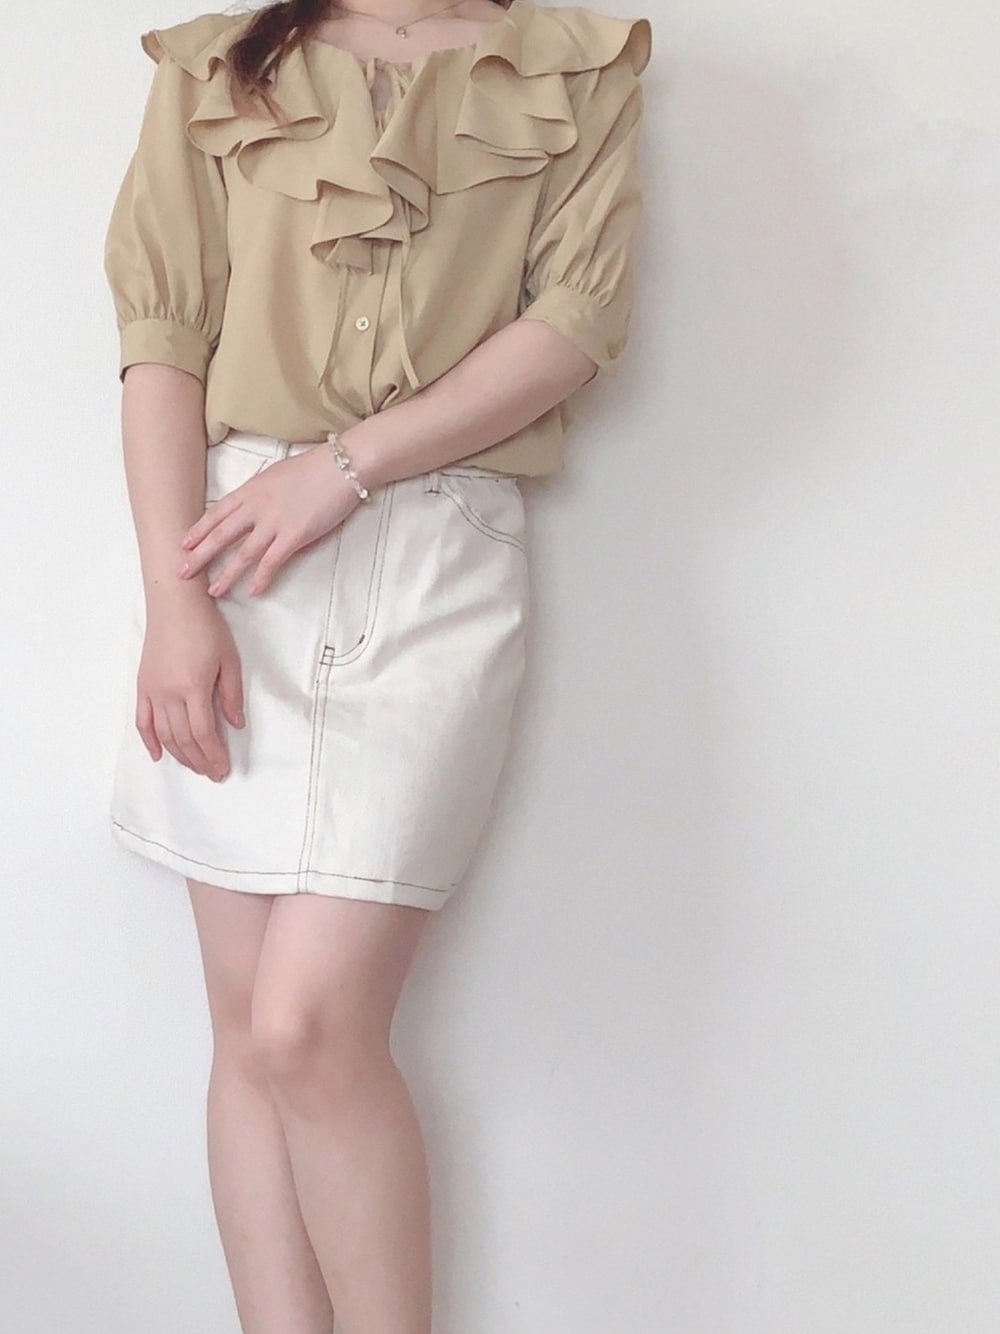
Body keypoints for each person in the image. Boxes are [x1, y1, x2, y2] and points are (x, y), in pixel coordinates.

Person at [102, 0, 652, 1329]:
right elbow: (162, 339)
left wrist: (344, 467)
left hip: (435, 553)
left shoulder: (572, 67)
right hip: (233, 558)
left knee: (307, 1022)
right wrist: (174, 604)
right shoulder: (220, 61)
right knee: (246, 1026)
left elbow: (575, 321)